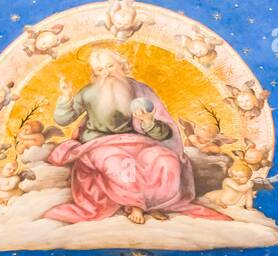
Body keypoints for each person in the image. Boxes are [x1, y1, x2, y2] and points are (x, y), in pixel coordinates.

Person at [44, 47, 228, 225]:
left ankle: (155, 203)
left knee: (165, 160)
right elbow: (64, 119)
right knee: (118, 163)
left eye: (110, 66)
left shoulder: (140, 90)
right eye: (100, 70)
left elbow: (163, 133)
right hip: (98, 144)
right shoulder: (88, 92)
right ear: (95, 73)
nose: (106, 73)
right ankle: (134, 205)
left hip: (139, 141)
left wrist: (148, 121)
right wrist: (65, 99)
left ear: (121, 65)